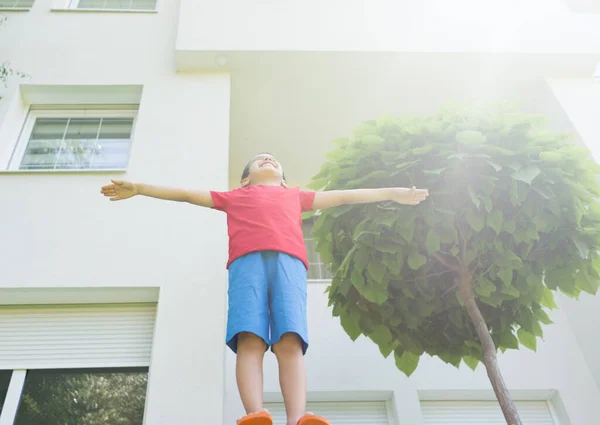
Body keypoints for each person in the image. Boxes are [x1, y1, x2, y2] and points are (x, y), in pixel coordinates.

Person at [100, 153, 429, 425]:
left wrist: (391, 193)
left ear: (284, 180)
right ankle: (254, 414)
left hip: (290, 266)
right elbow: (186, 195)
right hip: (246, 266)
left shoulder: (295, 196)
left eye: (273, 160)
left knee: (290, 341)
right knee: (250, 338)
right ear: (245, 180)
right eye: (259, 160)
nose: (267, 159)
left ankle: (297, 418)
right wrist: (140, 187)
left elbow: (344, 196)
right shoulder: (233, 197)